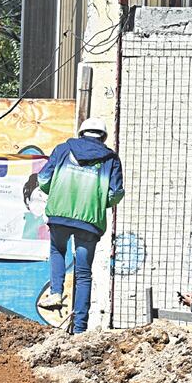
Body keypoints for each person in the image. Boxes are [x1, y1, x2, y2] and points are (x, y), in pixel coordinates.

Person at [36, 117, 124, 334]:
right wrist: (98, 202)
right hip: (89, 220)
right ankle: (79, 328)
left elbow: (44, 179)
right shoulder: (111, 159)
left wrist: (56, 193)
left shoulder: (63, 149)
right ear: (102, 137)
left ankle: (56, 292)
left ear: (81, 132)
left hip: (60, 213)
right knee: (83, 274)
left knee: (58, 250)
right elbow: (116, 193)